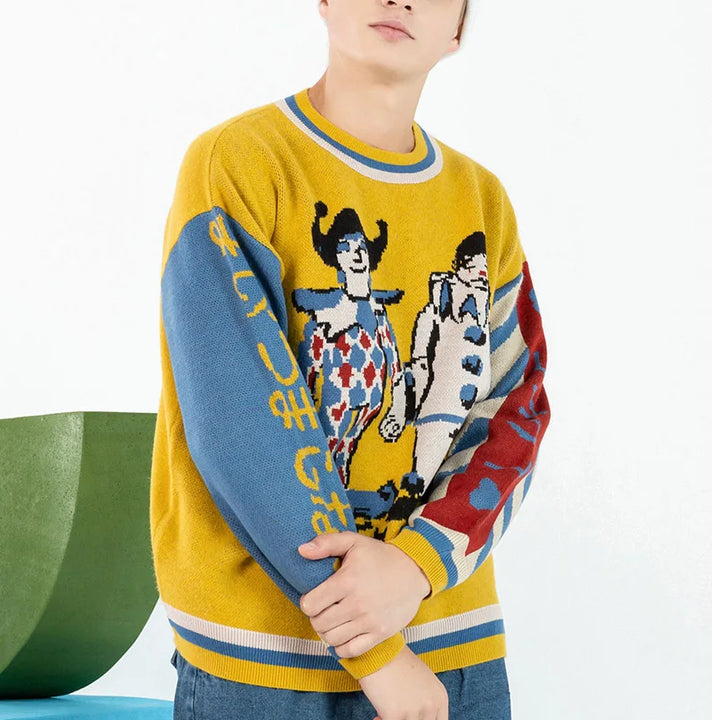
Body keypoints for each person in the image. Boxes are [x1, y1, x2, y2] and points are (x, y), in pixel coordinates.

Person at [150, 0, 552, 718]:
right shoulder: (238, 162)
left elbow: (513, 409)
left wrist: (417, 566)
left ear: (459, 28)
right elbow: (240, 424)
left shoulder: (482, 201)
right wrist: (377, 654)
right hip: (265, 664)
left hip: (451, 650)